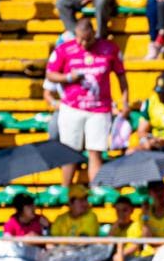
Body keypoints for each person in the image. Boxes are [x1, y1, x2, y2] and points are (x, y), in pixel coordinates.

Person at [45, 17, 130, 187]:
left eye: (87, 39)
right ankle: (65, 191)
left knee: (95, 151)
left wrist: (125, 101)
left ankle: (95, 191)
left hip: (99, 109)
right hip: (72, 107)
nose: (83, 43)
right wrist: (68, 78)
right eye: (80, 39)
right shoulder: (64, 49)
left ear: (94, 33)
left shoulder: (109, 48)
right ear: (75, 34)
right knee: (69, 152)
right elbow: (50, 74)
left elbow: (121, 76)